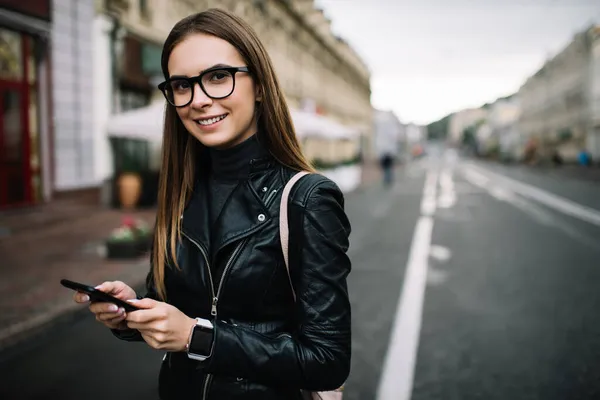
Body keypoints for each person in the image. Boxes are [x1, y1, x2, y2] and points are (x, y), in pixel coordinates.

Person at [73, 8, 352, 400]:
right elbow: (172, 310)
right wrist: (130, 313)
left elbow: (327, 360)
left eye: (218, 77)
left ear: (258, 85)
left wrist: (196, 336)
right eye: (182, 85)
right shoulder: (177, 194)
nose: (199, 100)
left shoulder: (308, 198)